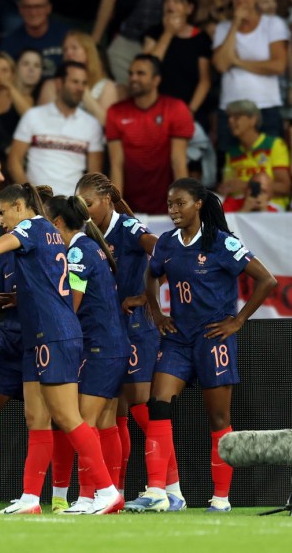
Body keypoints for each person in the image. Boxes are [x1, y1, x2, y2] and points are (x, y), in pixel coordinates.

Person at [0, 183, 123, 515]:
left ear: (20, 206)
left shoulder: (32, 226)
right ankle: (31, 498)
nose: (1, 220)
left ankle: (107, 491)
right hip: (38, 336)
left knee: (66, 416)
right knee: (36, 419)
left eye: (2, 212)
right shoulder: (50, 233)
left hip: (55, 335)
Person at [124, 177, 277, 513]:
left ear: (198, 205)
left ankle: (221, 499)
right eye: (170, 204)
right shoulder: (166, 243)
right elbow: (152, 275)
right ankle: (158, 492)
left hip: (212, 338)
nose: (173, 210)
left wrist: (237, 322)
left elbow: (267, 280)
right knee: (158, 404)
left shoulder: (221, 243)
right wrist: (157, 312)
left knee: (218, 418)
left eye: (180, 203)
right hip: (178, 337)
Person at [74, 171, 185, 509]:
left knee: (141, 409)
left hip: (136, 328)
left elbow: (166, 254)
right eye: (80, 206)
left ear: (107, 199)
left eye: (89, 204)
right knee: (115, 413)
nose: (85, 211)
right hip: (105, 331)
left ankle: (170, 490)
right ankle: (114, 491)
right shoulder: (86, 235)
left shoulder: (128, 228)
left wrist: (144, 298)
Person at [44, 194, 129, 514]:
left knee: (82, 423)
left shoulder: (78, 250)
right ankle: (110, 492)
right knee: (105, 423)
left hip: (99, 348)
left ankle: (90, 496)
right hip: (114, 346)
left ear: (57, 224)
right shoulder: (93, 247)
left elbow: (73, 302)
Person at [105, 54, 193, 215]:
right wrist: (117, 212)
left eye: (141, 73)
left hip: (167, 208)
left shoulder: (176, 108)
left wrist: (182, 207)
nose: (133, 78)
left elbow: (178, 162)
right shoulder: (115, 112)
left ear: (156, 80)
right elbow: (116, 164)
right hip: (130, 207)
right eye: (131, 73)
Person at [213, 0, 289, 148]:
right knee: (232, 167)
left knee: (269, 166)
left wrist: (239, 62)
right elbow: (222, 64)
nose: (240, 0)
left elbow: (278, 66)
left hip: (265, 106)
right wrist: (235, 24)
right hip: (230, 109)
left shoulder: (273, 24)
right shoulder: (223, 28)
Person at [8, 61, 104, 195]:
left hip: (73, 205)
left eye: (83, 83)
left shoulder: (92, 124)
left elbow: (94, 175)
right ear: (59, 83)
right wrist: (30, 195)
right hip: (36, 202)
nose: (80, 88)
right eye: (75, 82)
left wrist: (81, 204)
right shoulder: (33, 116)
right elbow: (14, 160)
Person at [142, 0, 212, 124]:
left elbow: (205, 81)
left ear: (189, 8)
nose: (170, 4)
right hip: (157, 110)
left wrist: (189, 111)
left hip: (189, 111)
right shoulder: (154, 33)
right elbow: (147, 68)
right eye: (167, 0)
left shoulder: (201, 38)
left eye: (177, 1)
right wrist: (168, 33)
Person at [218, 99, 292, 212]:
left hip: (270, 203)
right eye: (229, 117)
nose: (230, 121)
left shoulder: (274, 145)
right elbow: (227, 187)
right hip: (238, 204)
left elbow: (285, 187)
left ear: (253, 120)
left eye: (236, 117)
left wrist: (246, 186)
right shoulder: (232, 152)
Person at [37, 30, 119, 125]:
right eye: (65, 50)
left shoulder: (106, 86)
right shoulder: (53, 84)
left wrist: (84, 93)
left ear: (88, 51)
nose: (68, 53)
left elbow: (107, 124)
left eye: (74, 48)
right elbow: (43, 121)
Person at [0, 0, 70, 78]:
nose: (33, 12)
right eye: (28, 7)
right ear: (20, 10)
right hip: (23, 91)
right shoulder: (10, 42)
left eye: (38, 6)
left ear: (48, 8)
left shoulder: (66, 35)